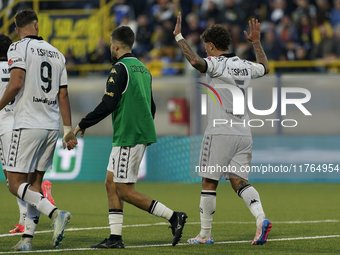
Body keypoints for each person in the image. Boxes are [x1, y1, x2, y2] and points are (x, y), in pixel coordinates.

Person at [74, 26, 187, 249]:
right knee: (110, 183)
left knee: (125, 191)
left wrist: (82, 123)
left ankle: (174, 217)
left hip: (129, 135)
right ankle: (115, 238)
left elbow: (108, 103)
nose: (109, 48)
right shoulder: (143, 69)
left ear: (116, 45)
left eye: (110, 44)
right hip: (133, 133)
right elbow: (151, 106)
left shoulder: (119, 68)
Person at [173, 13, 272, 245]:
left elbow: (197, 63)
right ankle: (261, 219)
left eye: (206, 46)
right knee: (238, 180)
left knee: (209, 182)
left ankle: (205, 235)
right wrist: (256, 42)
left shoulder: (217, 64)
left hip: (219, 132)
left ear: (211, 45)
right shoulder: (245, 65)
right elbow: (265, 68)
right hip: (243, 132)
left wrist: (178, 36)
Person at [0, 9, 77, 251]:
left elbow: (16, 82)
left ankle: (55, 214)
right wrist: (68, 129)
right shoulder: (58, 54)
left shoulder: (17, 48)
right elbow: (63, 94)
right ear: (37, 25)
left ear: (16, 29)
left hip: (28, 123)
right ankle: (27, 240)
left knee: (15, 184)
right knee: (33, 185)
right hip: (51, 126)